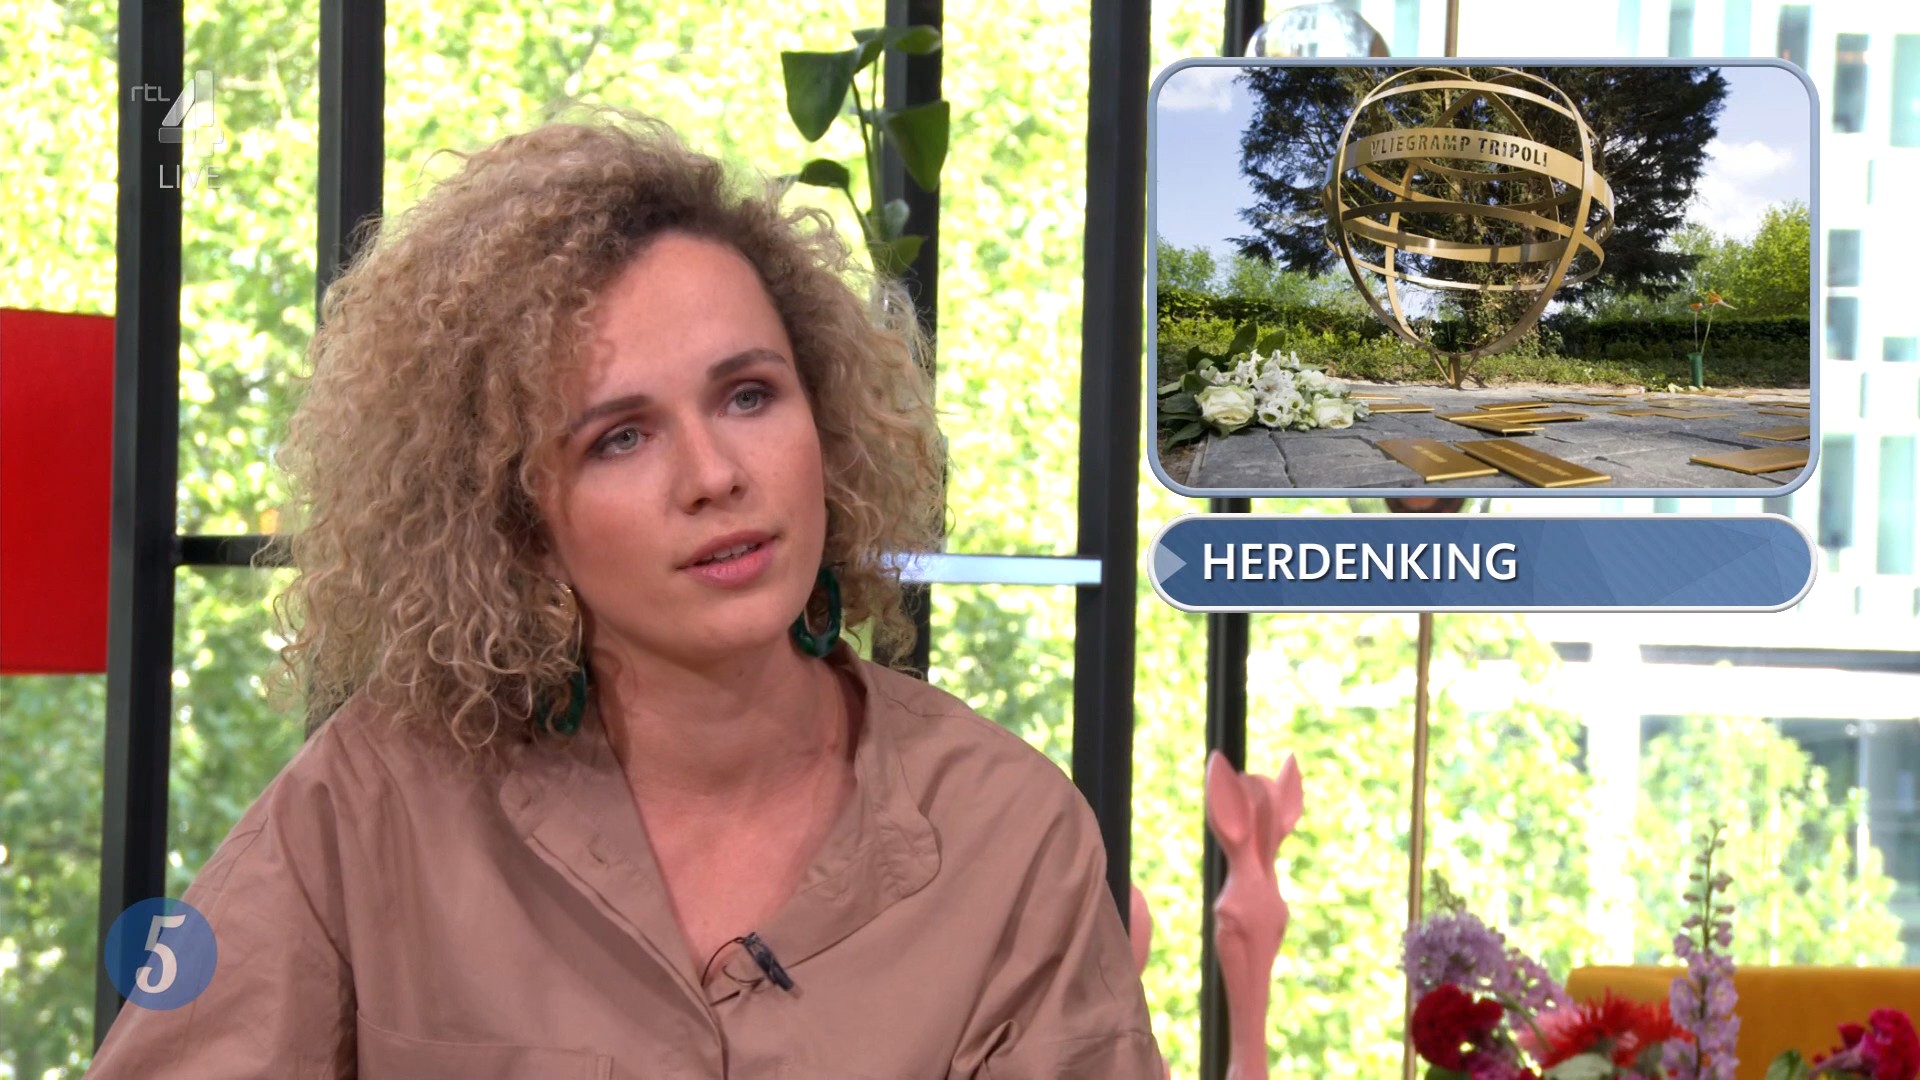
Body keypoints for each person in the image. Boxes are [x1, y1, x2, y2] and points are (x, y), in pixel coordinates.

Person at [87, 110, 1164, 1079]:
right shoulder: (374, 804)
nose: (713, 475)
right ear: (514, 513)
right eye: (620, 438)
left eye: (749, 395)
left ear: (827, 423)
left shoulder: (1005, 831)